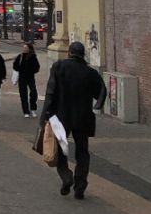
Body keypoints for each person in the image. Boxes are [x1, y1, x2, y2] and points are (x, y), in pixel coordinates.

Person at [42, 39, 107, 199]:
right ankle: (80, 185)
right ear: (83, 54)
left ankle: (66, 176)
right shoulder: (90, 72)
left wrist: (46, 115)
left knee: (60, 149)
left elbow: (51, 92)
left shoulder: (59, 67)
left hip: (61, 117)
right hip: (83, 117)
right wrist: (97, 106)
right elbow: (101, 91)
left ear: (69, 53)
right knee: (82, 151)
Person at [13, 42, 40, 117]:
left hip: (30, 77)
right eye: (24, 48)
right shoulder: (20, 56)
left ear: (29, 49)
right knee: (23, 94)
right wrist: (20, 69)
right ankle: (26, 111)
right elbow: (15, 66)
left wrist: (32, 70)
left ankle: (33, 109)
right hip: (22, 78)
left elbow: (37, 67)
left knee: (34, 92)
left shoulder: (33, 57)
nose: (24, 49)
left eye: (26, 48)